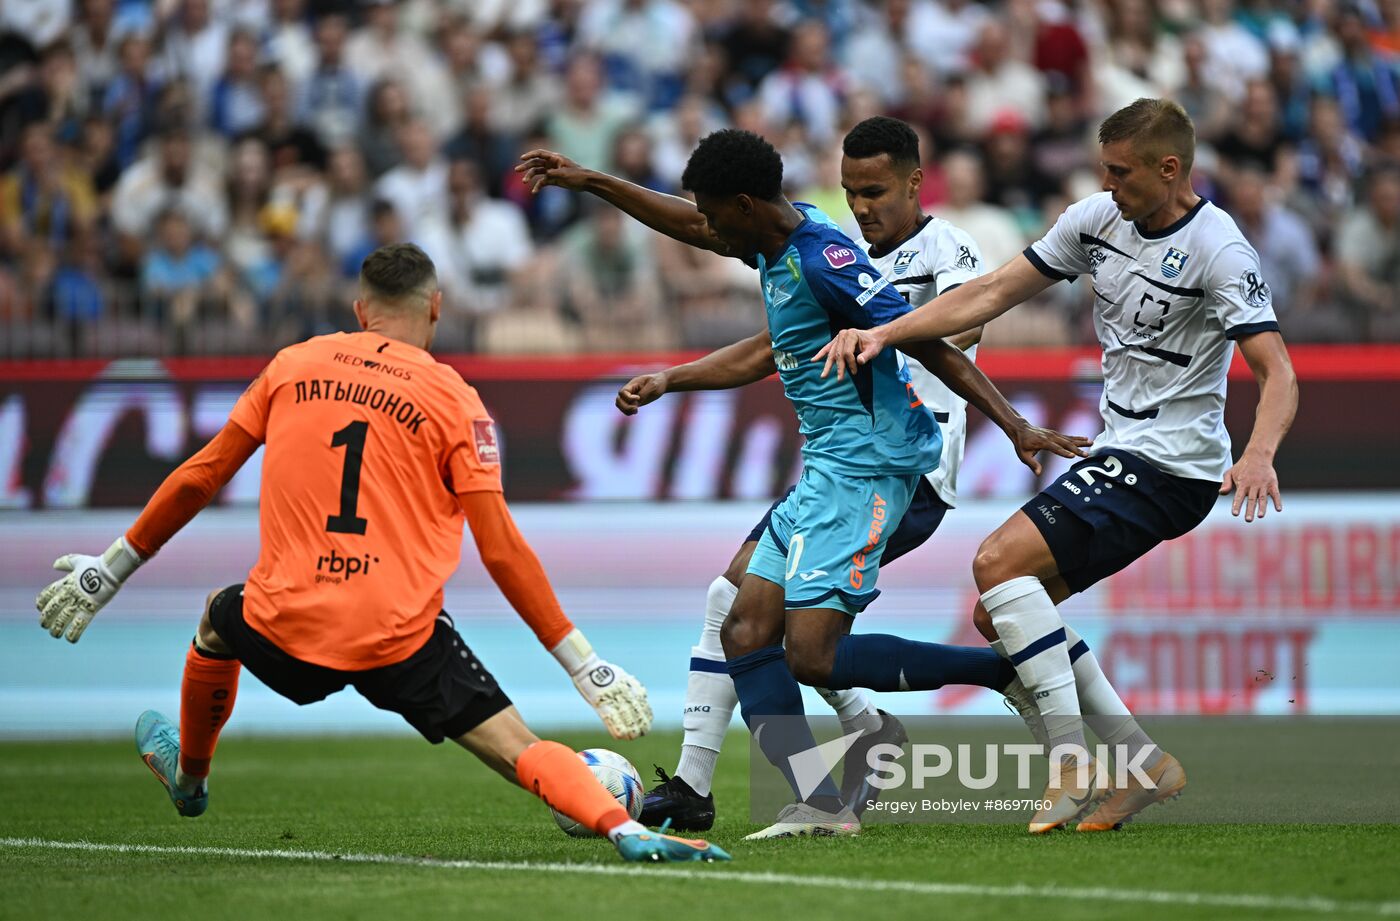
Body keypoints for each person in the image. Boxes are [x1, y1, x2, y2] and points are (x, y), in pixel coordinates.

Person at [34, 243, 729, 865]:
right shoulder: (453, 398)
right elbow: (500, 547)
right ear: (436, 308)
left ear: (360, 308)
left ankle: (189, 779)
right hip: (397, 637)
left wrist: (111, 567)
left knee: (219, 619)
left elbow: (202, 473)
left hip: (286, 622)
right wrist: (586, 663)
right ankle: (622, 827)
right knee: (519, 745)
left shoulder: (292, 365)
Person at [520, 129, 1088, 839]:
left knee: (808, 653)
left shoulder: (826, 260)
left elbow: (928, 342)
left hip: (871, 468)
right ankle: (817, 799)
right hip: (827, 466)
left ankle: (999, 674)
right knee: (743, 623)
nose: (708, 227)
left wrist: (1013, 423)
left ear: (748, 204)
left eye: (715, 213)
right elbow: (743, 304)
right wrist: (595, 184)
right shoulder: (777, 240)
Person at [817, 98, 1299, 833]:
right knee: (999, 612)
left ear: (1170, 169)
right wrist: (890, 332)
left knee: (996, 560)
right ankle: (1142, 764)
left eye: (1120, 171)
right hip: (1120, 450)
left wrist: (1260, 452)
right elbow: (991, 292)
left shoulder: (1220, 250)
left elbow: (1278, 369)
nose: (1107, 184)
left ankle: (1071, 765)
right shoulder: (1095, 220)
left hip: (1173, 464)